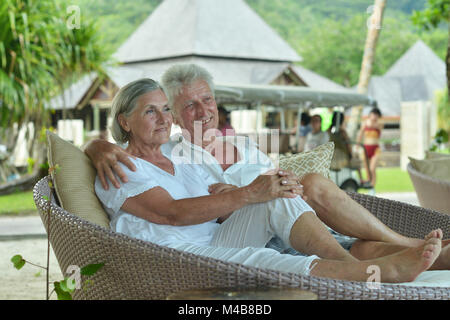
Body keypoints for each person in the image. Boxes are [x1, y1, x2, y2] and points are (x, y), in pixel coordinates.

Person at [84, 64, 450, 271]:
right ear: (179, 117)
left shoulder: (239, 146)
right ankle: (388, 259)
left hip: (296, 224)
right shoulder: (179, 154)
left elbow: (246, 196)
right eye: (186, 106)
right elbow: (174, 210)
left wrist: (269, 188)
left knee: (310, 194)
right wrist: (95, 144)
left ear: (217, 102)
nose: (202, 111)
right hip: (253, 235)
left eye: (207, 100)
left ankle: (415, 253)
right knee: (311, 191)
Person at [357, 107, 383, 187]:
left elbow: (377, 127)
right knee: (367, 169)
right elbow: (360, 135)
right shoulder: (365, 123)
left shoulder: (379, 124)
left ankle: (372, 185)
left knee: (372, 168)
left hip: (375, 148)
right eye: (373, 114)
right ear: (370, 114)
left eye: (376, 115)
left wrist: (373, 121)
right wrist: (357, 145)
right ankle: (368, 183)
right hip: (366, 148)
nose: (375, 116)